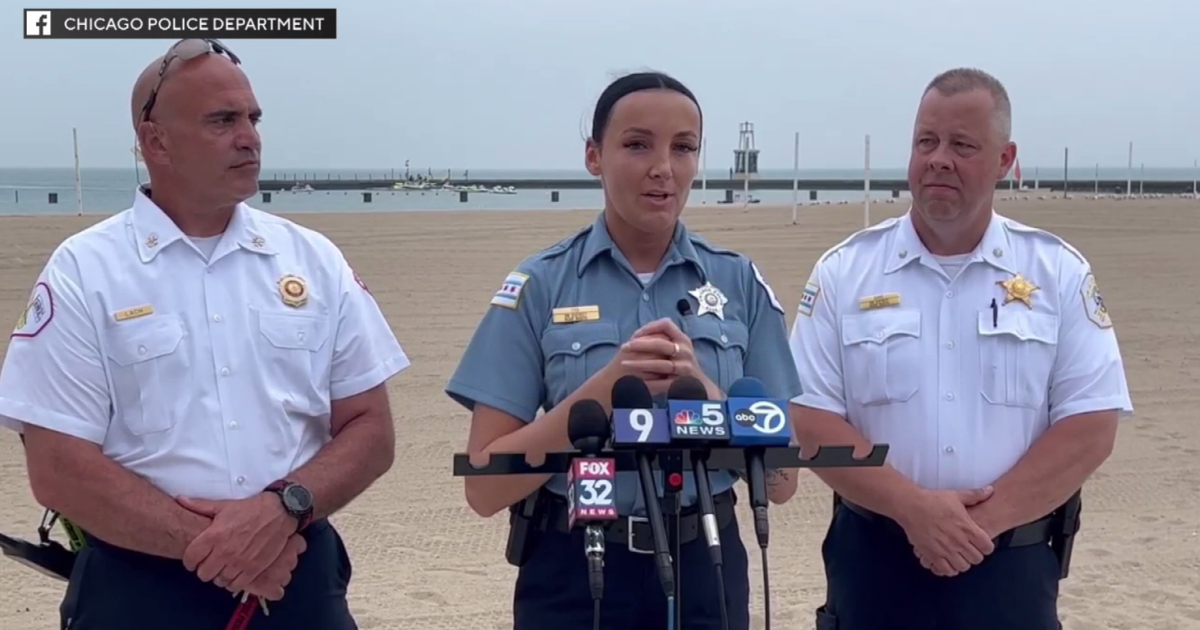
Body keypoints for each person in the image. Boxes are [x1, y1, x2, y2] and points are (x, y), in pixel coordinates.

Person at [0, 38, 410, 630]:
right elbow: (57, 466)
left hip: (295, 575)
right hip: (139, 589)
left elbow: (370, 429)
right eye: (223, 120)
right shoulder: (85, 271)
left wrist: (282, 508)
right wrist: (228, 549)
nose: (250, 136)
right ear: (155, 142)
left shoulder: (313, 261)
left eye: (253, 118)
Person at [445, 71, 803, 630]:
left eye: (684, 148)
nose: (663, 167)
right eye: (637, 145)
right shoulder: (541, 285)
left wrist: (706, 395)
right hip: (576, 562)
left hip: (706, 558)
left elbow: (782, 484)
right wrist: (602, 393)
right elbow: (486, 488)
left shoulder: (738, 284)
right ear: (594, 156)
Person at [788, 67, 1133, 630]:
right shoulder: (844, 272)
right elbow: (810, 418)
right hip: (876, 563)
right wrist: (914, 509)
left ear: (1004, 159)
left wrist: (973, 527)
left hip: (1011, 567)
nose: (939, 158)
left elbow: (1091, 426)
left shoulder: (1058, 273)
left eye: (962, 145)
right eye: (927, 141)